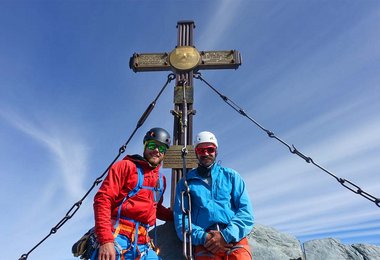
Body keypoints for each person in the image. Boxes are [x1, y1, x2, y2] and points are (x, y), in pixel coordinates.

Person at [92, 127, 173, 260]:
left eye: (162, 148)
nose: (157, 151)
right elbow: (103, 199)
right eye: (152, 145)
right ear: (145, 145)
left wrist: (177, 217)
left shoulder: (161, 180)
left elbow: (155, 208)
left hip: (143, 243)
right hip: (117, 238)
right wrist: (106, 240)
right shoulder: (125, 167)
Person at [173, 131, 254, 260]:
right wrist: (204, 238)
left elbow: (246, 213)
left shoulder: (231, 177)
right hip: (205, 242)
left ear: (216, 151)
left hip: (234, 239)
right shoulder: (185, 183)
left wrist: (225, 235)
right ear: (196, 153)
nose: (206, 153)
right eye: (201, 150)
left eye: (210, 149)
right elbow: (181, 220)